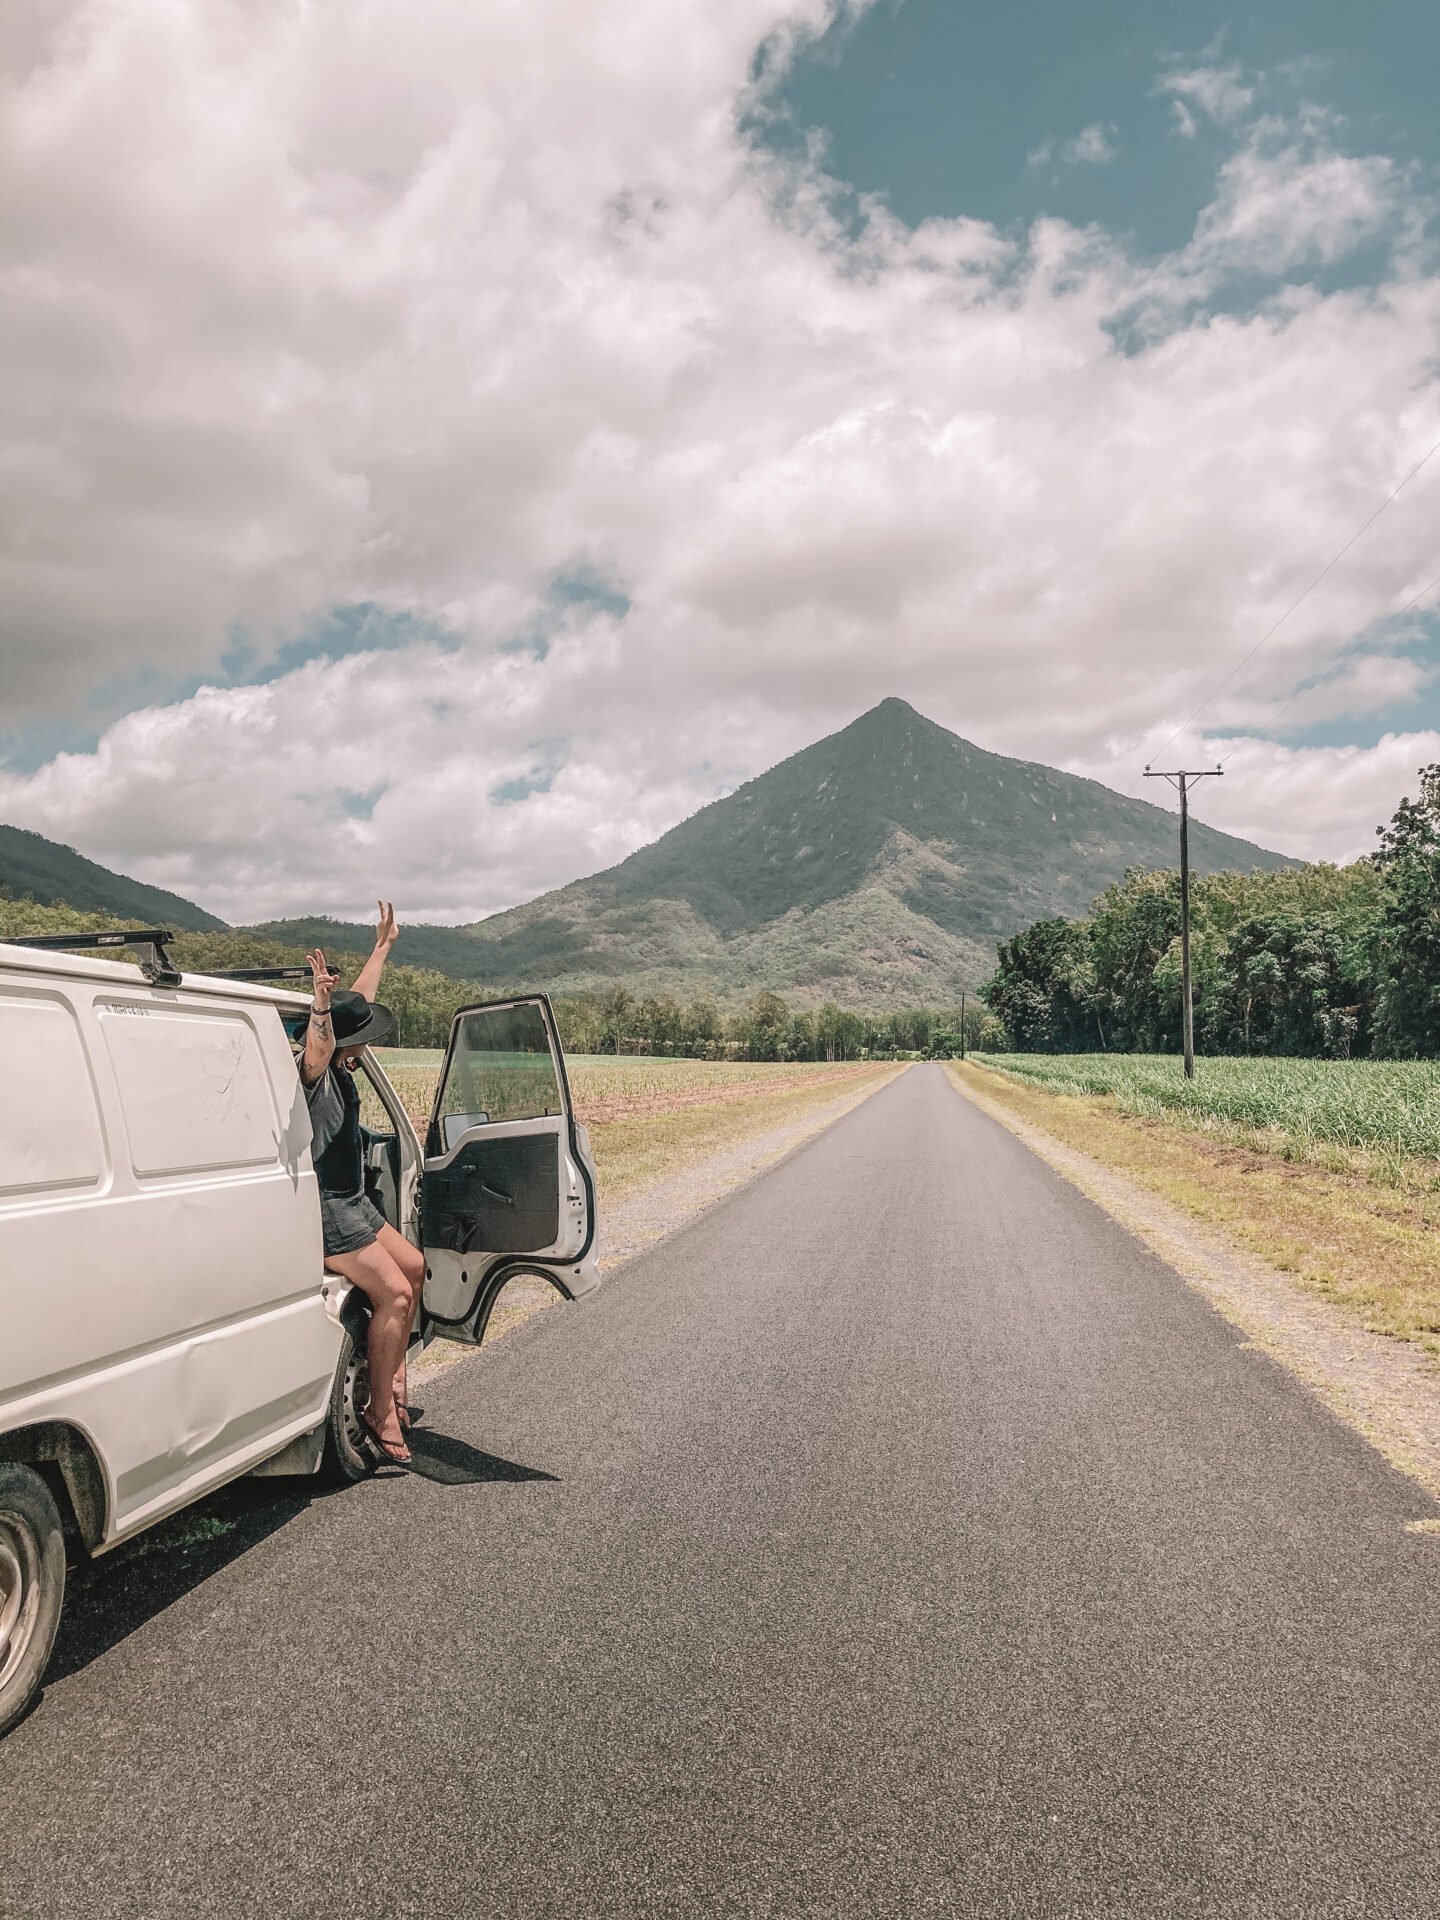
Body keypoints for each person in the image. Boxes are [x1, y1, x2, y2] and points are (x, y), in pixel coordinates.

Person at [299, 902, 426, 1466]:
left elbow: (358, 1006)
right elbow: (321, 1044)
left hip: (352, 1200)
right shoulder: (317, 1074)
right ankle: (378, 1411)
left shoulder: (346, 1061)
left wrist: (382, 948)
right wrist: (321, 1010)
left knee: (416, 1267)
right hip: (330, 1211)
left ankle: (394, 1384)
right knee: (395, 1293)